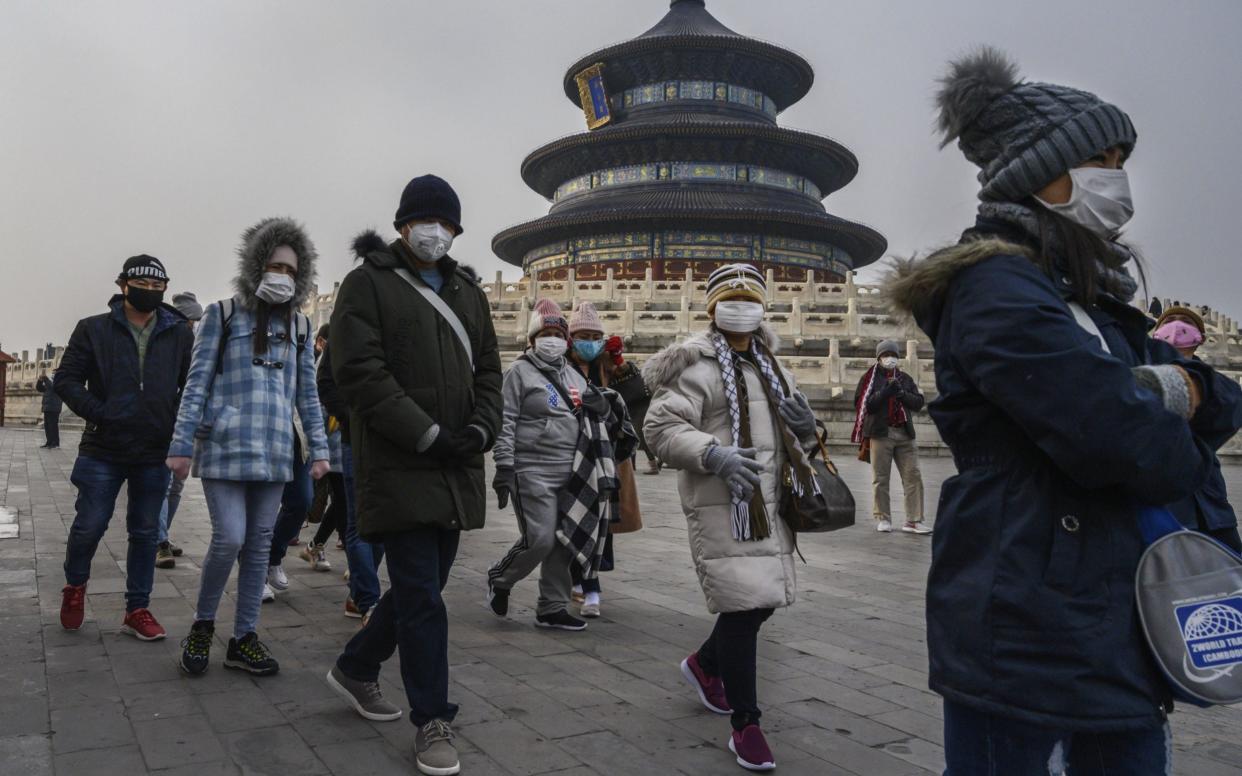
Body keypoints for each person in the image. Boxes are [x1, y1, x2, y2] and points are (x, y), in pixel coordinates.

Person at [883, 48, 1242, 773]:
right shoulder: (993, 290)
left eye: (1119, 158)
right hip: (1026, 614)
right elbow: (1127, 444)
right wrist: (1167, 404)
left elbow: (1222, 398)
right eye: (1097, 158)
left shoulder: (1089, 295)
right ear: (1032, 169)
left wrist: (1173, 393)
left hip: (1113, 611)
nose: (1115, 178)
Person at [323, 174, 502, 776]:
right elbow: (360, 372)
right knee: (423, 594)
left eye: (447, 224)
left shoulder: (469, 293)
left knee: (424, 588)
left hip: (456, 464)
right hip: (401, 461)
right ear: (403, 225)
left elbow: (489, 372)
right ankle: (432, 719)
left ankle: (355, 666)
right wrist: (425, 432)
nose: (436, 232)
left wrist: (480, 429)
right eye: (426, 221)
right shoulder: (367, 284)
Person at [644, 263, 819, 772]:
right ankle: (747, 724)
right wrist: (711, 452)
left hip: (769, 503)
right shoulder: (694, 366)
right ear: (713, 306)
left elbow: (792, 436)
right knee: (744, 606)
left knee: (761, 603)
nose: (741, 305)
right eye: (731, 296)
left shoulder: (773, 366)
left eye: (750, 296)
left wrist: (807, 429)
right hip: (724, 501)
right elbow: (659, 428)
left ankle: (705, 664)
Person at [167, 217, 329, 677]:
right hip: (224, 445)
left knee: (258, 545)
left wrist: (319, 449)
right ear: (257, 265)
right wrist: (181, 445)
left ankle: (244, 636)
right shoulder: (221, 315)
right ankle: (201, 626)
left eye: (293, 271)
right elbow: (195, 384)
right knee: (229, 538)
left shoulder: (300, 325)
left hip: (275, 449)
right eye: (276, 265)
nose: (283, 276)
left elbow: (307, 394)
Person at [53, 255, 194, 639]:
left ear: (165, 288)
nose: (149, 291)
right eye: (141, 284)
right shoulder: (93, 329)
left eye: (157, 286)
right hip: (104, 446)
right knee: (90, 524)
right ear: (122, 285)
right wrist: (101, 413)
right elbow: (65, 380)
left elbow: (191, 385)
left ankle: (137, 608)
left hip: (154, 449)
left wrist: (172, 420)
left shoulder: (179, 332)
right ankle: (76, 587)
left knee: (146, 532)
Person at [489, 299, 603, 631]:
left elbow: (589, 416)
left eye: (558, 333)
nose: (552, 339)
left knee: (564, 539)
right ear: (533, 338)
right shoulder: (517, 372)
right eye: (546, 333)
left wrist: (602, 407)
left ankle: (551, 605)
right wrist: (504, 466)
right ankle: (500, 577)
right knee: (539, 538)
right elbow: (505, 420)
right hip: (531, 469)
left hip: (571, 470)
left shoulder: (574, 376)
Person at [1151, 309, 1242, 552]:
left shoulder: (1216, 386)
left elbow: (1231, 414)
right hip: (1164, 503)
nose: (1177, 326)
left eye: (1186, 323)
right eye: (1169, 322)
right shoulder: (1142, 377)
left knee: (1232, 571)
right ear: (1156, 333)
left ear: (1200, 337)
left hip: (1211, 504)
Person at [316, 334, 384, 619]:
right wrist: (347, 415)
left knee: (382, 523)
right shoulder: (346, 329)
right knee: (358, 522)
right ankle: (368, 599)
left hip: (391, 437)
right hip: (354, 437)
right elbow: (325, 382)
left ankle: (358, 595)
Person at [851, 340, 930, 534]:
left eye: (893, 355)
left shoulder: (905, 378)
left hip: (904, 433)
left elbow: (918, 402)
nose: (890, 359)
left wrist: (901, 394)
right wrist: (885, 392)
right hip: (881, 433)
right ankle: (883, 518)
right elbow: (866, 405)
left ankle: (913, 520)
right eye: (886, 355)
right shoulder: (869, 379)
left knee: (913, 476)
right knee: (881, 477)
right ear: (878, 358)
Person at [156, 291, 204, 569]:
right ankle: (159, 541)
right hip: (164, 422)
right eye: (191, 320)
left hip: (186, 425)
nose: (193, 325)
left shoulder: (198, 344)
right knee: (163, 485)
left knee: (176, 486)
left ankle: (163, 535)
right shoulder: (165, 342)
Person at [301, 324, 344, 572]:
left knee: (344, 502)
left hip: (352, 441)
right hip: (334, 440)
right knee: (344, 501)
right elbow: (318, 397)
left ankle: (316, 545)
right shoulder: (329, 358)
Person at [36, 370, 62, 449]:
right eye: (52, 373)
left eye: (54, 373)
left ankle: (55, 443)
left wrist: (45, 378)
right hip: (47, 407)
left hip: (54, 408)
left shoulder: (59, 382)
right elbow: (40, 388)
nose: (53, 375)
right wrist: (40, 381)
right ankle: (49, 442)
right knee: (47, 426)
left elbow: (52, 387)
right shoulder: (49, 383)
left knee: (53, 425)